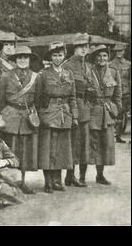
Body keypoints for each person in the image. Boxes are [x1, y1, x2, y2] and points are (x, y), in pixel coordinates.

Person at [0, 46, 41, 194]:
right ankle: (10, 182)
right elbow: (0, 100)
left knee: (24, 152)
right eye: (19, 58)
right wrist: (6, 114)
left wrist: (32, 114)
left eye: (25, 58)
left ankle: (22, 182)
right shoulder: (6, 76)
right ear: (15, 60)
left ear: (29, 60)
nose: (22, 60)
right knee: (10, 151)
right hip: (10, 117)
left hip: (27, 117)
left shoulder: (36, 77)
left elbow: (39, 99)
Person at [37, 42, 78, 193]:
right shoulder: (43, 74)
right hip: (48, 114)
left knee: (62, 149)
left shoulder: (69, 74)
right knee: (47, 149)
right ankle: (47, 181)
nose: (57, 58)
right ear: (50, 57)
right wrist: (40, 115)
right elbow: (38, 97)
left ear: (64, 55)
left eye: (60, 55)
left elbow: (73, 97)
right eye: (54, 55)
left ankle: (57, 181)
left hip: (65, 114)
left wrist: (75, 116)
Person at [86, 45, 122, 185]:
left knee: (104, 144)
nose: (102, 59)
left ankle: (99, 175)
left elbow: (118, 93)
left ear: (108, 58)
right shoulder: (89, 72)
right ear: (95, 58)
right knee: (90, 143)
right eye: (99, 56)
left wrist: (117, 110)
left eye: (105, 56)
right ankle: (82, 176)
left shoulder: (113, 72)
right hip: (93, 110)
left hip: (107, 112)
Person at [61, 33, 92, 187]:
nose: (83, 49)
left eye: (85, 46)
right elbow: (65, 89)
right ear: (74, 48)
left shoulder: (87, 65)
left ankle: (82, 177)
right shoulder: (67, 65)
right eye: (80, 46)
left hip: (85, 108)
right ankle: (70, 176)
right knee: (73, 142)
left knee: (84, 143)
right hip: (73, 107)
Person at [110, 43, 130, 143]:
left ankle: (120, 135)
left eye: (121, 51)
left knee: (124, 114)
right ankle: (116, 135)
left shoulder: (128, 64)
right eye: (117, 51)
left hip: (126, 93)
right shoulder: (110, 64)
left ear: (124, 51)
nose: (119, 53)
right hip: (114, 93)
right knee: (116, 115)